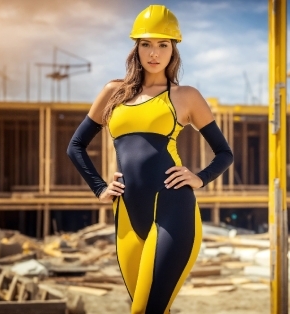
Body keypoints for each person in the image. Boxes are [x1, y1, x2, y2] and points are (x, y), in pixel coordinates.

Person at [67, 4, 233, 314]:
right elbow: (76, 146)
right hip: (128, 219)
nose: (153, 53)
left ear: (174, 49)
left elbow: (224, 153)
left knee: (145, 311)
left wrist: (199, 177)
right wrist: (100, 187)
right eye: (146, 44)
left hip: (174, 214)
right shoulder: (113, 93)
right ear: (136, 48)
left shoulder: (185, 96)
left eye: (162, 44)